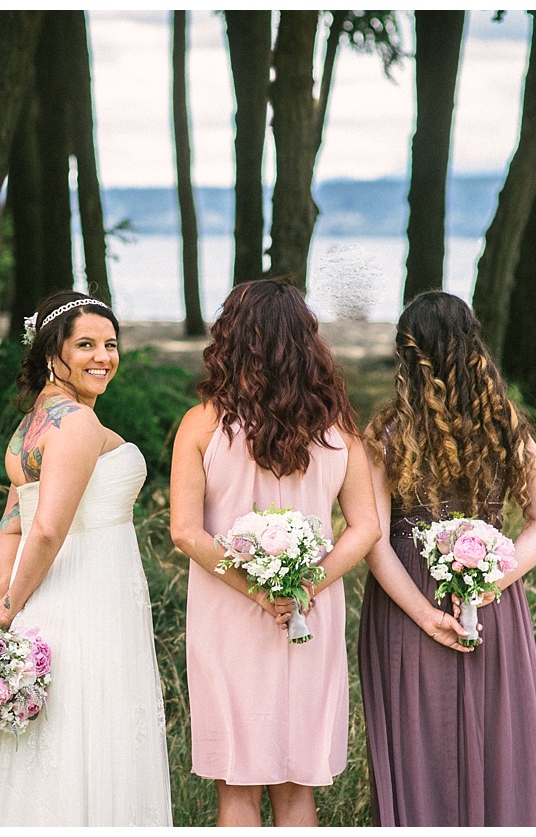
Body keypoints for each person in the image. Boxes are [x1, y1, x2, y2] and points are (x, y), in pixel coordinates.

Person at [170, 279, 381, 826]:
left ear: (231, 340)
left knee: (236, 788)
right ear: (306, 342)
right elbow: (364, 529)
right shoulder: (338, 430)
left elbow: (187, 533)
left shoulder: (201, 425)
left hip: (228, 613)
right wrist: (306, 585)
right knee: (295, 789)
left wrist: (259, 589)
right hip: (309, 617)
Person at [0, 292, 173, 825]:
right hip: (88, 593)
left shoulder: (31, 425)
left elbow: (12, 524)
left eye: (110, 344)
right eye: (85, 345)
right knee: (88, 729)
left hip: (51, 594)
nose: (103, 356)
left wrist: (7, 587)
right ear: (52, 353)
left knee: (56, 736)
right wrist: (8, 603)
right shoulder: (75, 423)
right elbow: (48, 528)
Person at [358, 291, 536, 826]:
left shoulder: (385, 434)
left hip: (409, 600)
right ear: (473, 347)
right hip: (488, 600)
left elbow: (374, 540)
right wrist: (493, 575)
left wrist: (425, 614)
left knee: (419, 744)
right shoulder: (505, 427)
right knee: (497, 738)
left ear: (408, 357)